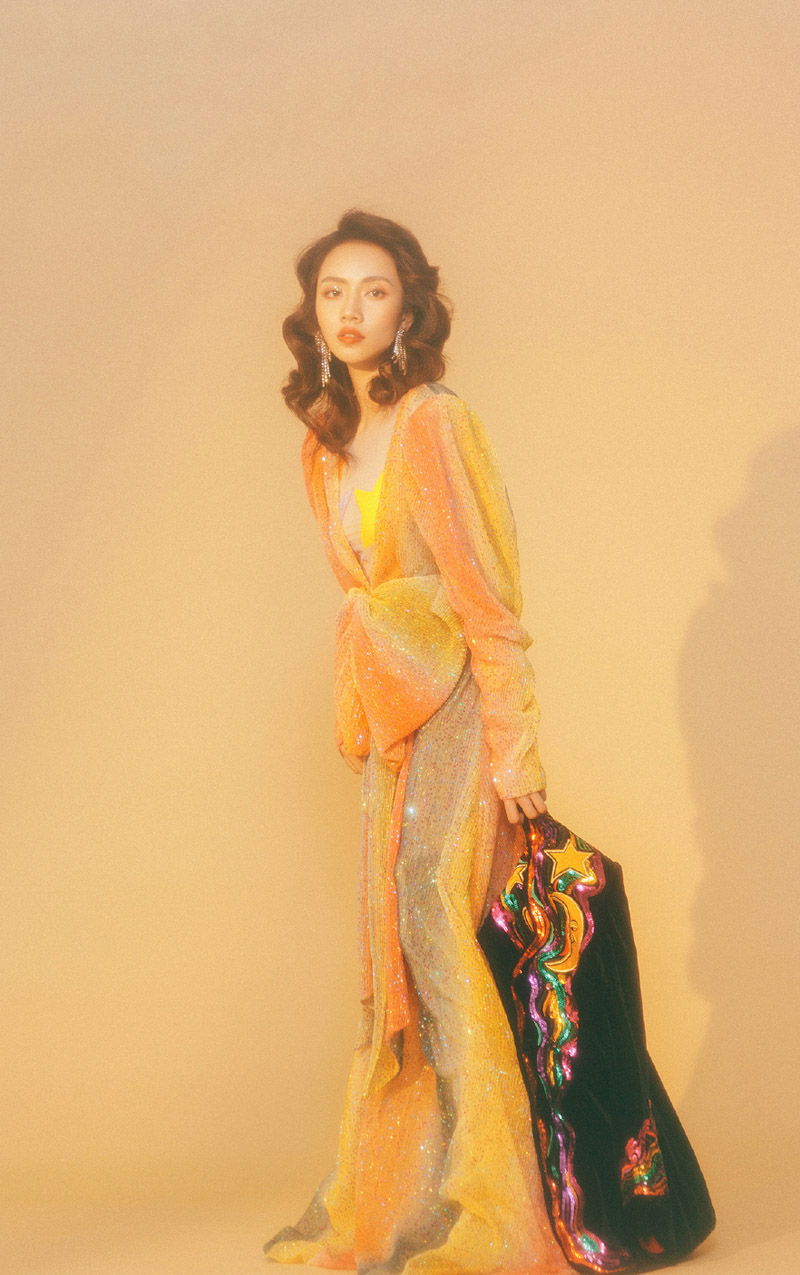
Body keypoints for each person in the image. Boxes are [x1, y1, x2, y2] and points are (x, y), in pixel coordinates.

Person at [263, 210, 715, 1274]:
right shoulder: (321, 446)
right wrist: (372, 714)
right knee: (401, 956)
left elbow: (487, 604)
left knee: (439, 925)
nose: (351, 310)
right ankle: (405, 1195)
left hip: (461, 711)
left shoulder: (434, 424)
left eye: (375, 290)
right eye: (333, 292)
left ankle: (495, 1208)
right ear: (311, 315)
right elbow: (370, 604)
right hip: (392, 723)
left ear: (410, 309)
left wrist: (516, 752)